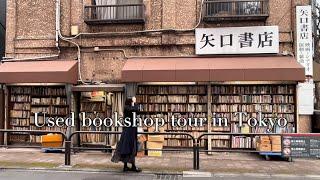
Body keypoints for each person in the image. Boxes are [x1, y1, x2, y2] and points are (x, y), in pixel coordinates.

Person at [111, 96, 142, 172]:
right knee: (130, 148)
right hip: (129, 131)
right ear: (130, 101)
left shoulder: (129, 107)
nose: (134, 101)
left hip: (130, 130)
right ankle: (132, 166)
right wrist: (134, 102)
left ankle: (126, 166)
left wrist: (134, 103)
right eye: (132, 100)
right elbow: (136, 109)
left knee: (128, 148)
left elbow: (137, 110)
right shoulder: (127, 108)